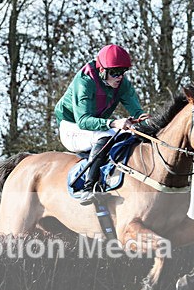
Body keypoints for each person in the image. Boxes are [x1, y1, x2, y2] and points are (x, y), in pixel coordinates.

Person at [54, 44, 150, 205]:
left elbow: (137, 112)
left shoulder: (122, 84)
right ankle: (88, 187)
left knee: (129, 136)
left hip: (93, 127)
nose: (119, 77)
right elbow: (83, 121)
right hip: (72, 126)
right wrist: (113, 123)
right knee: (105, 136)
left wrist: (151, 126)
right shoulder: (85, 82)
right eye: (114, 73)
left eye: (123, 72)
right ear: (102, 70)